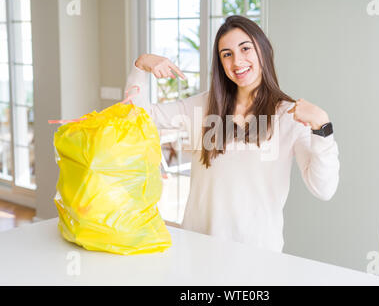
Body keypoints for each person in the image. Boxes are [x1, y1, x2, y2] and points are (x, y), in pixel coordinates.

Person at [125, 15, 339, 253]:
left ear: (263, 50)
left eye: (245, 48)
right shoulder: (203, 106)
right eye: (227, 54)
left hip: (257, 257)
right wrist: (141, 65)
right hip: (197, 248)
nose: (237, 61)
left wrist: (323, 128)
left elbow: (324, 189)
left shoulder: (289, 115)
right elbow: (134, 118)